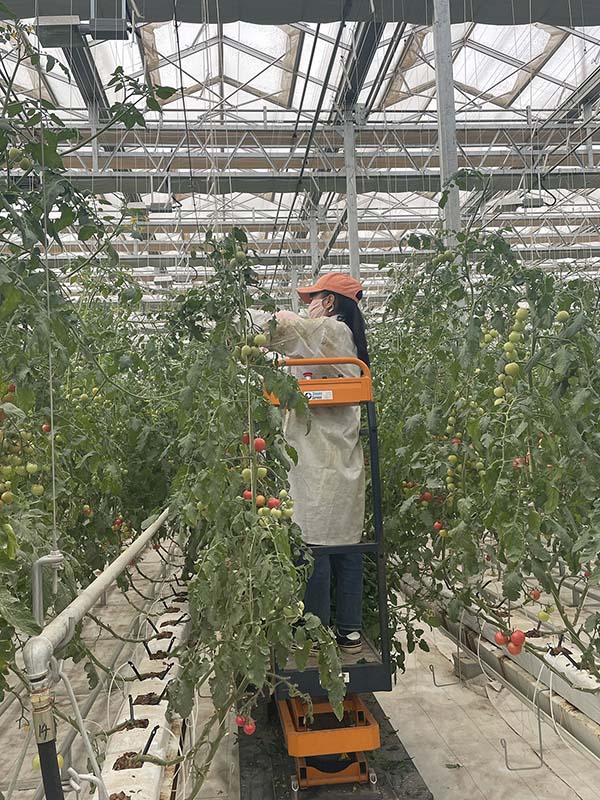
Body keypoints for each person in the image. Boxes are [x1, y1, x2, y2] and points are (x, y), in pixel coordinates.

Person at [250, 273, 368, 653]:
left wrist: (246, 318)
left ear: (330, 302)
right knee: (345, 547)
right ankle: (348, 630)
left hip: (321, 459)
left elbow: (286, 329)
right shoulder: (342, 339)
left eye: (313, 298)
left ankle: (316, 632)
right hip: (337, 458)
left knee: (314, 545)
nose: (309, 305)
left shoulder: (332, 331)